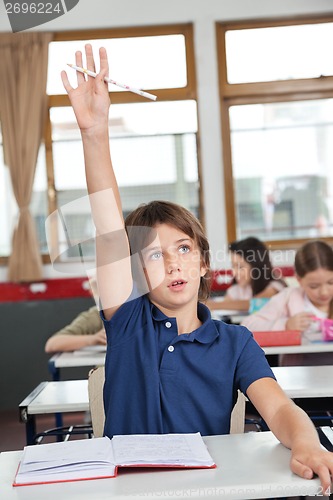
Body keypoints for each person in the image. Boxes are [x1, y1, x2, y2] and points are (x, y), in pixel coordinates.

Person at [61, 44, 333, 493]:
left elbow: (279, 409)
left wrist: (305, 440)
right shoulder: (128, 321)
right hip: (128, 493)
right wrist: (95, 132)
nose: (172, 262)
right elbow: (109, 229)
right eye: (152, 254)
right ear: (136, 272)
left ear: (204, 262)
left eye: (184, 248)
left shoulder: (234, 342)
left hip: (207, 490)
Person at [242, 240, 333, 366]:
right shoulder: (288, 297)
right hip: (299, 375)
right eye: (314, 286)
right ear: (299, 280)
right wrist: (286, 325)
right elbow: (247, 326)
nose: (324, 292)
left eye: (331, 282)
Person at [207, 236, 286, 312]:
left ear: (257, 267)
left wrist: (214, 305)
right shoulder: (236, 290)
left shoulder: (275, 287)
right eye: (233, 266)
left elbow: (253, 304)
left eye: (240, 267)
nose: (234, 273)